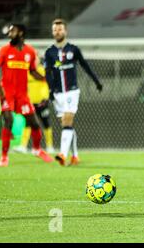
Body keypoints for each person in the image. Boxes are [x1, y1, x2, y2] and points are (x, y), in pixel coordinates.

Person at [0, 24, 53, 167]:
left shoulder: (30, 51)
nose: (10, 33)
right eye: (10, 31)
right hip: (7, 93)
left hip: (23, 95)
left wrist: (45, 78)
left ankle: (37, 149)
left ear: (21, 33)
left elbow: (32, 71)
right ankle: (4, 156)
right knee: (8, 120)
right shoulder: (5, 50)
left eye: (13, 31)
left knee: (35, 124)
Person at [44, 19, 103, 166]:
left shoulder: (73, 49)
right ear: (53, 32)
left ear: (65, 31)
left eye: (60, 29)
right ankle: (75, 156)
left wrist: (96, 81)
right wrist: (50, 90)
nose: (58, 32)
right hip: (57, 93)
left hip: (71, 92)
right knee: (67, 125)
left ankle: (63, 154)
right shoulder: (49, 52)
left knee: (67, 121)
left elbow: (85, 66)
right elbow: (47, 72)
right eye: (55, 30)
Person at [13, 57, 55, 154]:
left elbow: (48, 84)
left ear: (39, 60)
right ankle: (23, 146)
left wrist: (46, 98)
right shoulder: (26, 71)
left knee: (46, 123)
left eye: (35, 59)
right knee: (28, 123)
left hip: (42, 102)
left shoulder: (42, 70)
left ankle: (49, 146)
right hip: (30, 102)